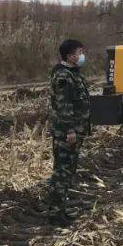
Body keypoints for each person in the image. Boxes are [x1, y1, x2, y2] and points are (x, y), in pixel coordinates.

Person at [46, 38, 91, 224]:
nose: (82, 56)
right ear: (70, 56)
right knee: (62, 173)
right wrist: (70, 130)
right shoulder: (64, 76)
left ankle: (61, 210)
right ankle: (55, 214)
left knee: (68, 171)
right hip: (67, 133)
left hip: (75, 131)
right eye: (79, 52)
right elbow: (64, 107)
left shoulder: (73, 73)